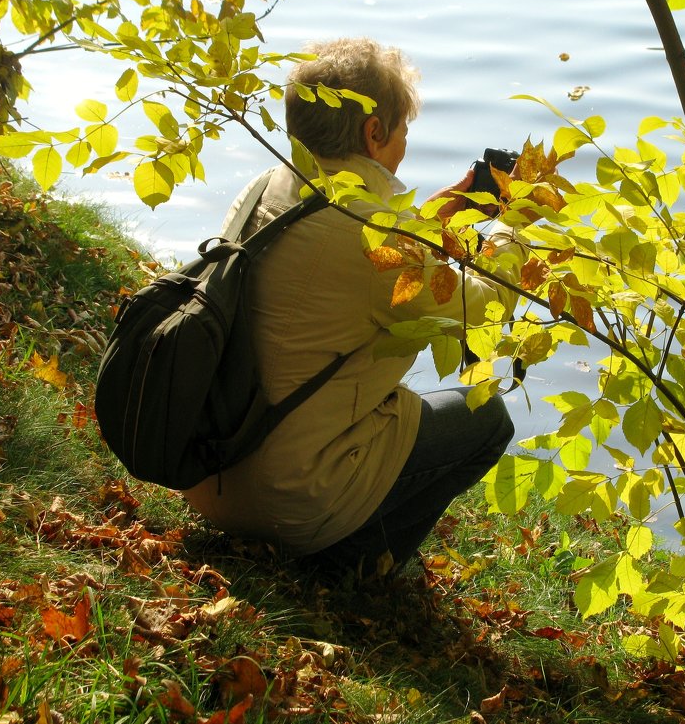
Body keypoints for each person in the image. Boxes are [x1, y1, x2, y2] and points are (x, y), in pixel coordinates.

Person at [183, 37, 525, 577]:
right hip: (283, 500)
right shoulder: (372, 238)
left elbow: (351, 251)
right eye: (403, 132)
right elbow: (479, 309)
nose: (404, 144)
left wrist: (444, 208)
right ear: (374, 132)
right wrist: (513, 229)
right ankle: (358, 564)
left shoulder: (269, 186)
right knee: (484, 417)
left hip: (207, 473)